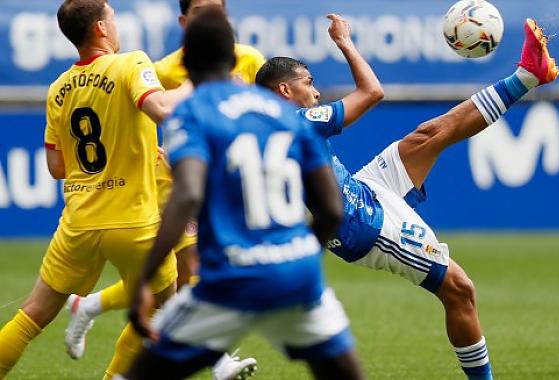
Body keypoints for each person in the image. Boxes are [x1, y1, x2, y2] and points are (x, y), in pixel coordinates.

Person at [256, 15, 559, 380]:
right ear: (285, 92)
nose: (316, 92)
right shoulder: (299, 121)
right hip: (363, 222)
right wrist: (345, 43)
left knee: (430, 134)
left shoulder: (262, 130)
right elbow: (372, 92)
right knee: (459, 290)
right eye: (308, 83)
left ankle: (528, 74)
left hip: (361, 190)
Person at [121, 7, 363, 380]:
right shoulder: (283, 114)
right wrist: (296, 252)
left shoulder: (190, 114)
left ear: (187, 61)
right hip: (297, 275)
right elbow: (332, 209)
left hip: (231, 278)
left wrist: (144, 281)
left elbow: (185, 196)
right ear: (234, 58)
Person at [64, 0, 265, 376]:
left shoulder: (250, 60)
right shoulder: (163, 69)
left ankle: (90, 308)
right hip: (172, 180)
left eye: (216, 10)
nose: (210, 17)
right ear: (183, 20)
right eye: (202, 10)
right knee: (193, 270)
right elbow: (144, 118)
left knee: (171, 290)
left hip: (220, 182)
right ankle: (217, 361)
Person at [0, 0, 192, 378]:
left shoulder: (58, 88)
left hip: (79, 223)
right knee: (164, 310)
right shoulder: (131, 62)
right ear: (101, 29)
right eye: (113, 19)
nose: (116, 26)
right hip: (135, 223)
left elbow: (57, 167)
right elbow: (161, 109)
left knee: (33, 315)